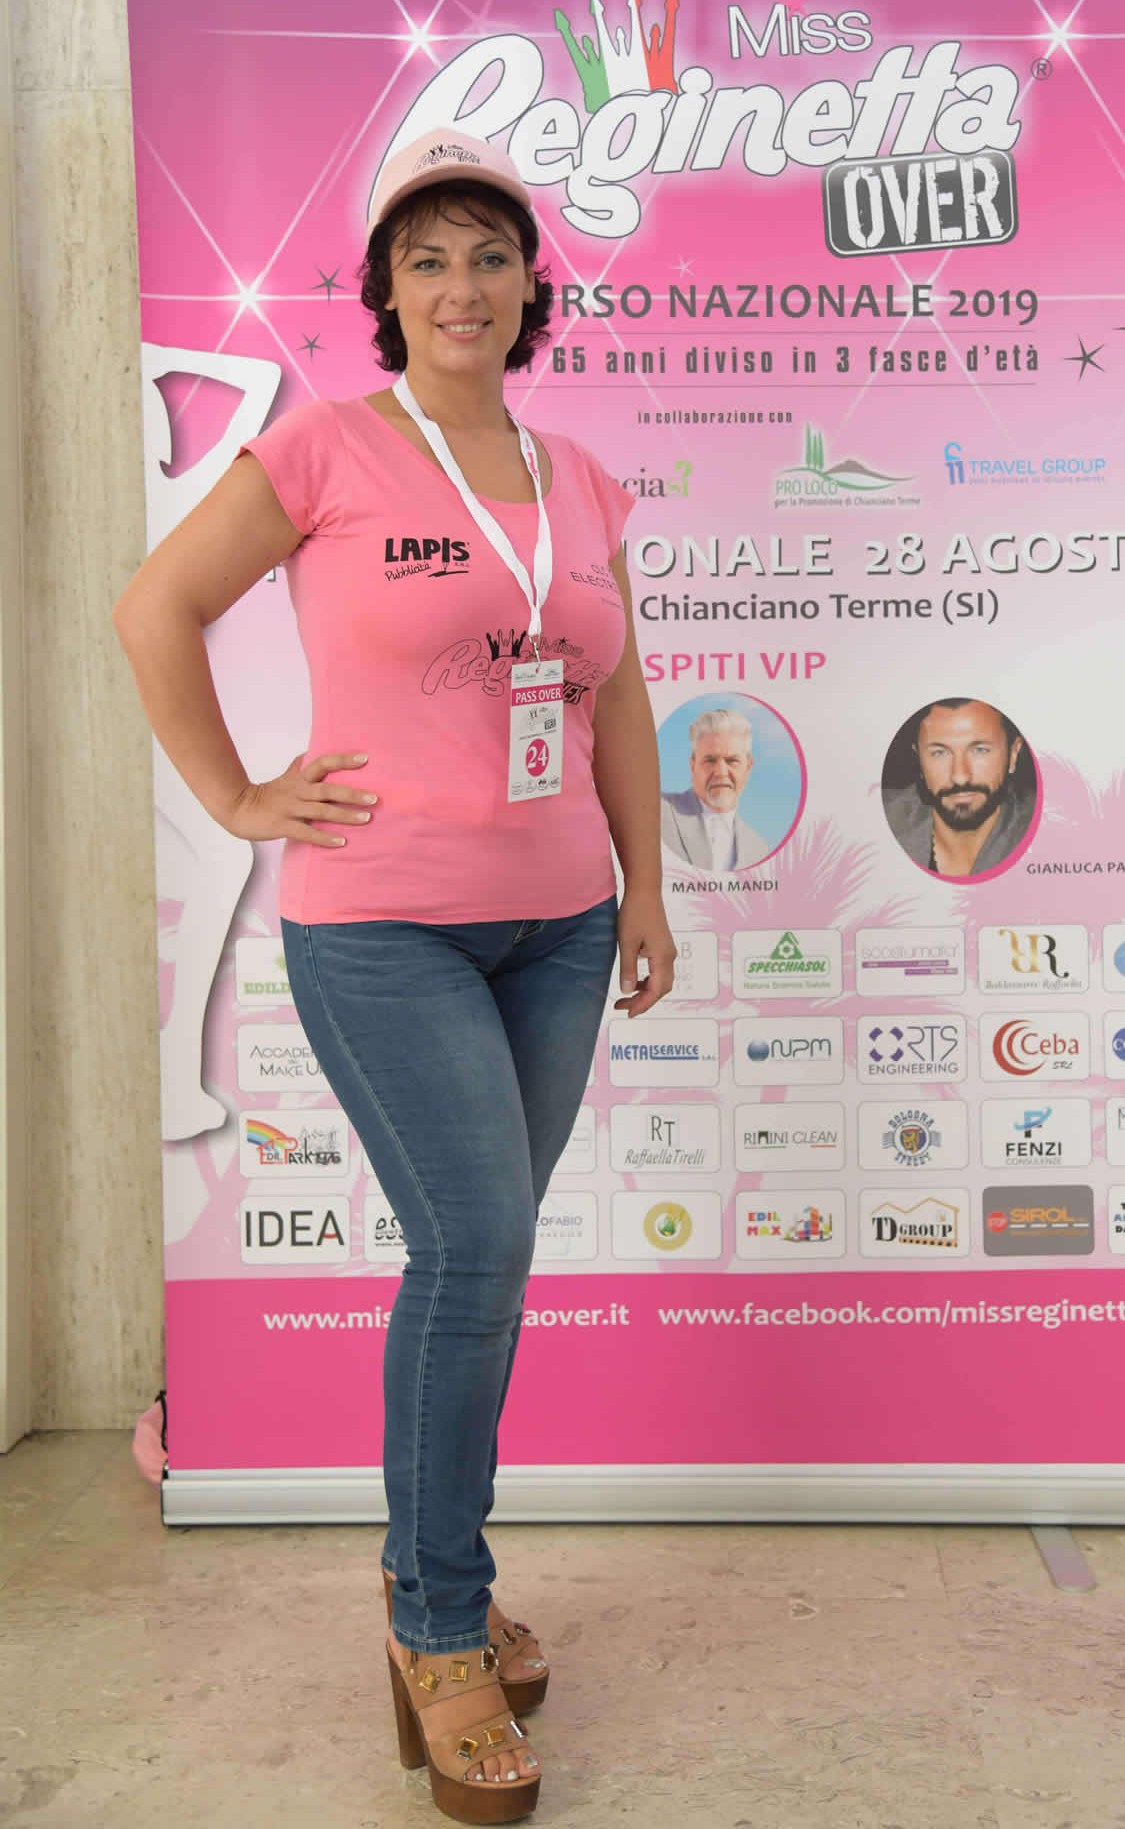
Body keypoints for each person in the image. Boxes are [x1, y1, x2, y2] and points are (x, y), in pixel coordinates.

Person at [114, 127, 675, 1822]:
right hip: (381, 926)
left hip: (560, 926)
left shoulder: (580, 477)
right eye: (426, 258)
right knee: (475, 1245)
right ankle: (435, 1622)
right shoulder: (325, 448)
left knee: (484, 1270)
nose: (460, 285)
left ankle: (437, 1569)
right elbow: (154, 607)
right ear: (386, 289)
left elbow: (617, 692)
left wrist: (647, 885)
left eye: (489, 254)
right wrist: (238, 795)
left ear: (530, 287)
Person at [883, 697, 1036, 878]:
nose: (960, 777)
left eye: (980, 750)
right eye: (939, 753)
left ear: (1013, 755)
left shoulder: (1048, 830)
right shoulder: (877, 821)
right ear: (919, 761)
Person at [660, 706, 771, 870]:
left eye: (732, 760)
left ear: (748, 766)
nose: (721, 772)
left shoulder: (760, 850)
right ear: (692, 765)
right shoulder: (657, 812)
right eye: (710, 760)